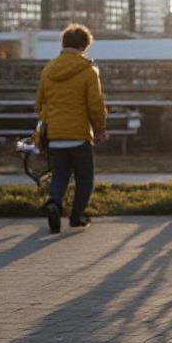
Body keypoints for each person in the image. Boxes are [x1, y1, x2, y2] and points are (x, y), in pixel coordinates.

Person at [35, 24, 107, 235]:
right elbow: (96, 104)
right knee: (85, 178)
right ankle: (77, 217)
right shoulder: (88, 70)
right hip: (80, 136)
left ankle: (54, 204)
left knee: (59, 176)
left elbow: (39, 103)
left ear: (63, 43)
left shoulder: (49, 69)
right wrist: (100, 129)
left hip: (55, 136)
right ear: (85, 46)